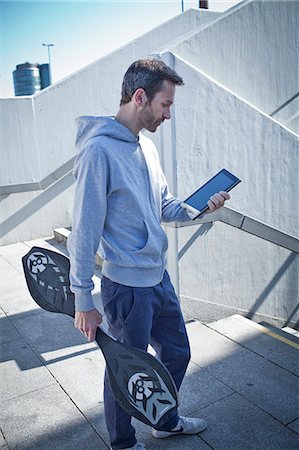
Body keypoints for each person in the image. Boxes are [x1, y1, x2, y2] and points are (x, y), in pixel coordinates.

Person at [67, 58, 230, 450]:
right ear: (140, 97)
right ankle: (123, 442)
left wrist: (200, 206)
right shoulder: (98, 153)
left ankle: (164, 419)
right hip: (125, 288)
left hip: (158, 278)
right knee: (128, 372)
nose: (168, 114)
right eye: (165, 104)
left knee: (177, 352)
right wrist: (82, 299)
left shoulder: (147, 148)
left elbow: (163, 206)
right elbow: (84, 231)